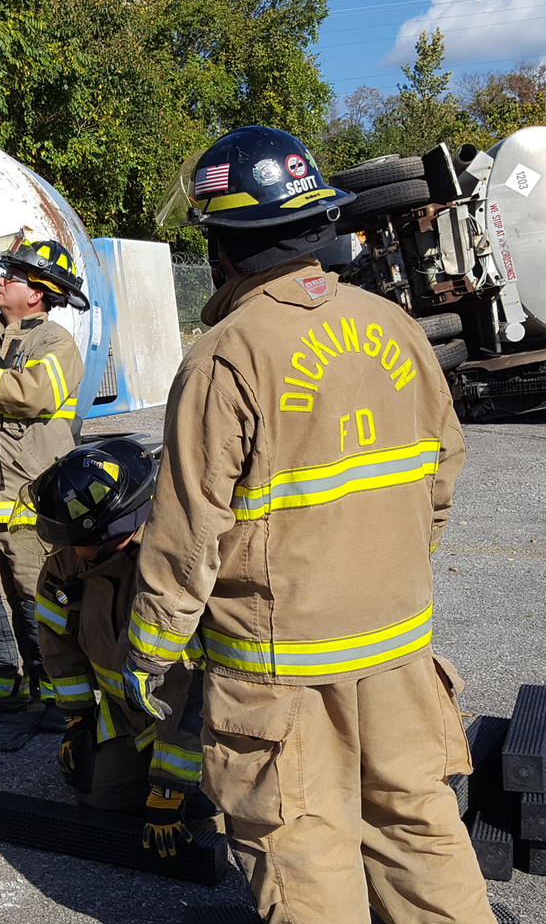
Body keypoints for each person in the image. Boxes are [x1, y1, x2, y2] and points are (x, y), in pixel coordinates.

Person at [123, 125, 490, 924]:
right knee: (418, 830)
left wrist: (147, 658)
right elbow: (440, 473)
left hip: (279, 670)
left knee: (303, 849)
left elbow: (188, 536)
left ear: (222, 245)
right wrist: (384, 570)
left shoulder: (227, 353)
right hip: (399, 649)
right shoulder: (392, 325)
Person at [26, 438, 210, 851]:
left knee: (199, 805)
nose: (67, 549)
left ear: (112, 532)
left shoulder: (168, 573)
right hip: (128, 714)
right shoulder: (67, 567)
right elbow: (58, 648)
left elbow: (193, 690)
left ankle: (194, 783)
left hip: (189, 721)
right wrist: (76, 719)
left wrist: (169, 787)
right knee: (97, 795)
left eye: (75, 538)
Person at [0, 236, 87, 711]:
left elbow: (32, 393)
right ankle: (4, 693)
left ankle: (54, 700)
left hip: (31, 509)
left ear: (38, 293)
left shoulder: (55, 342)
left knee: (36, 603)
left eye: (12, 275)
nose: (0, 280)